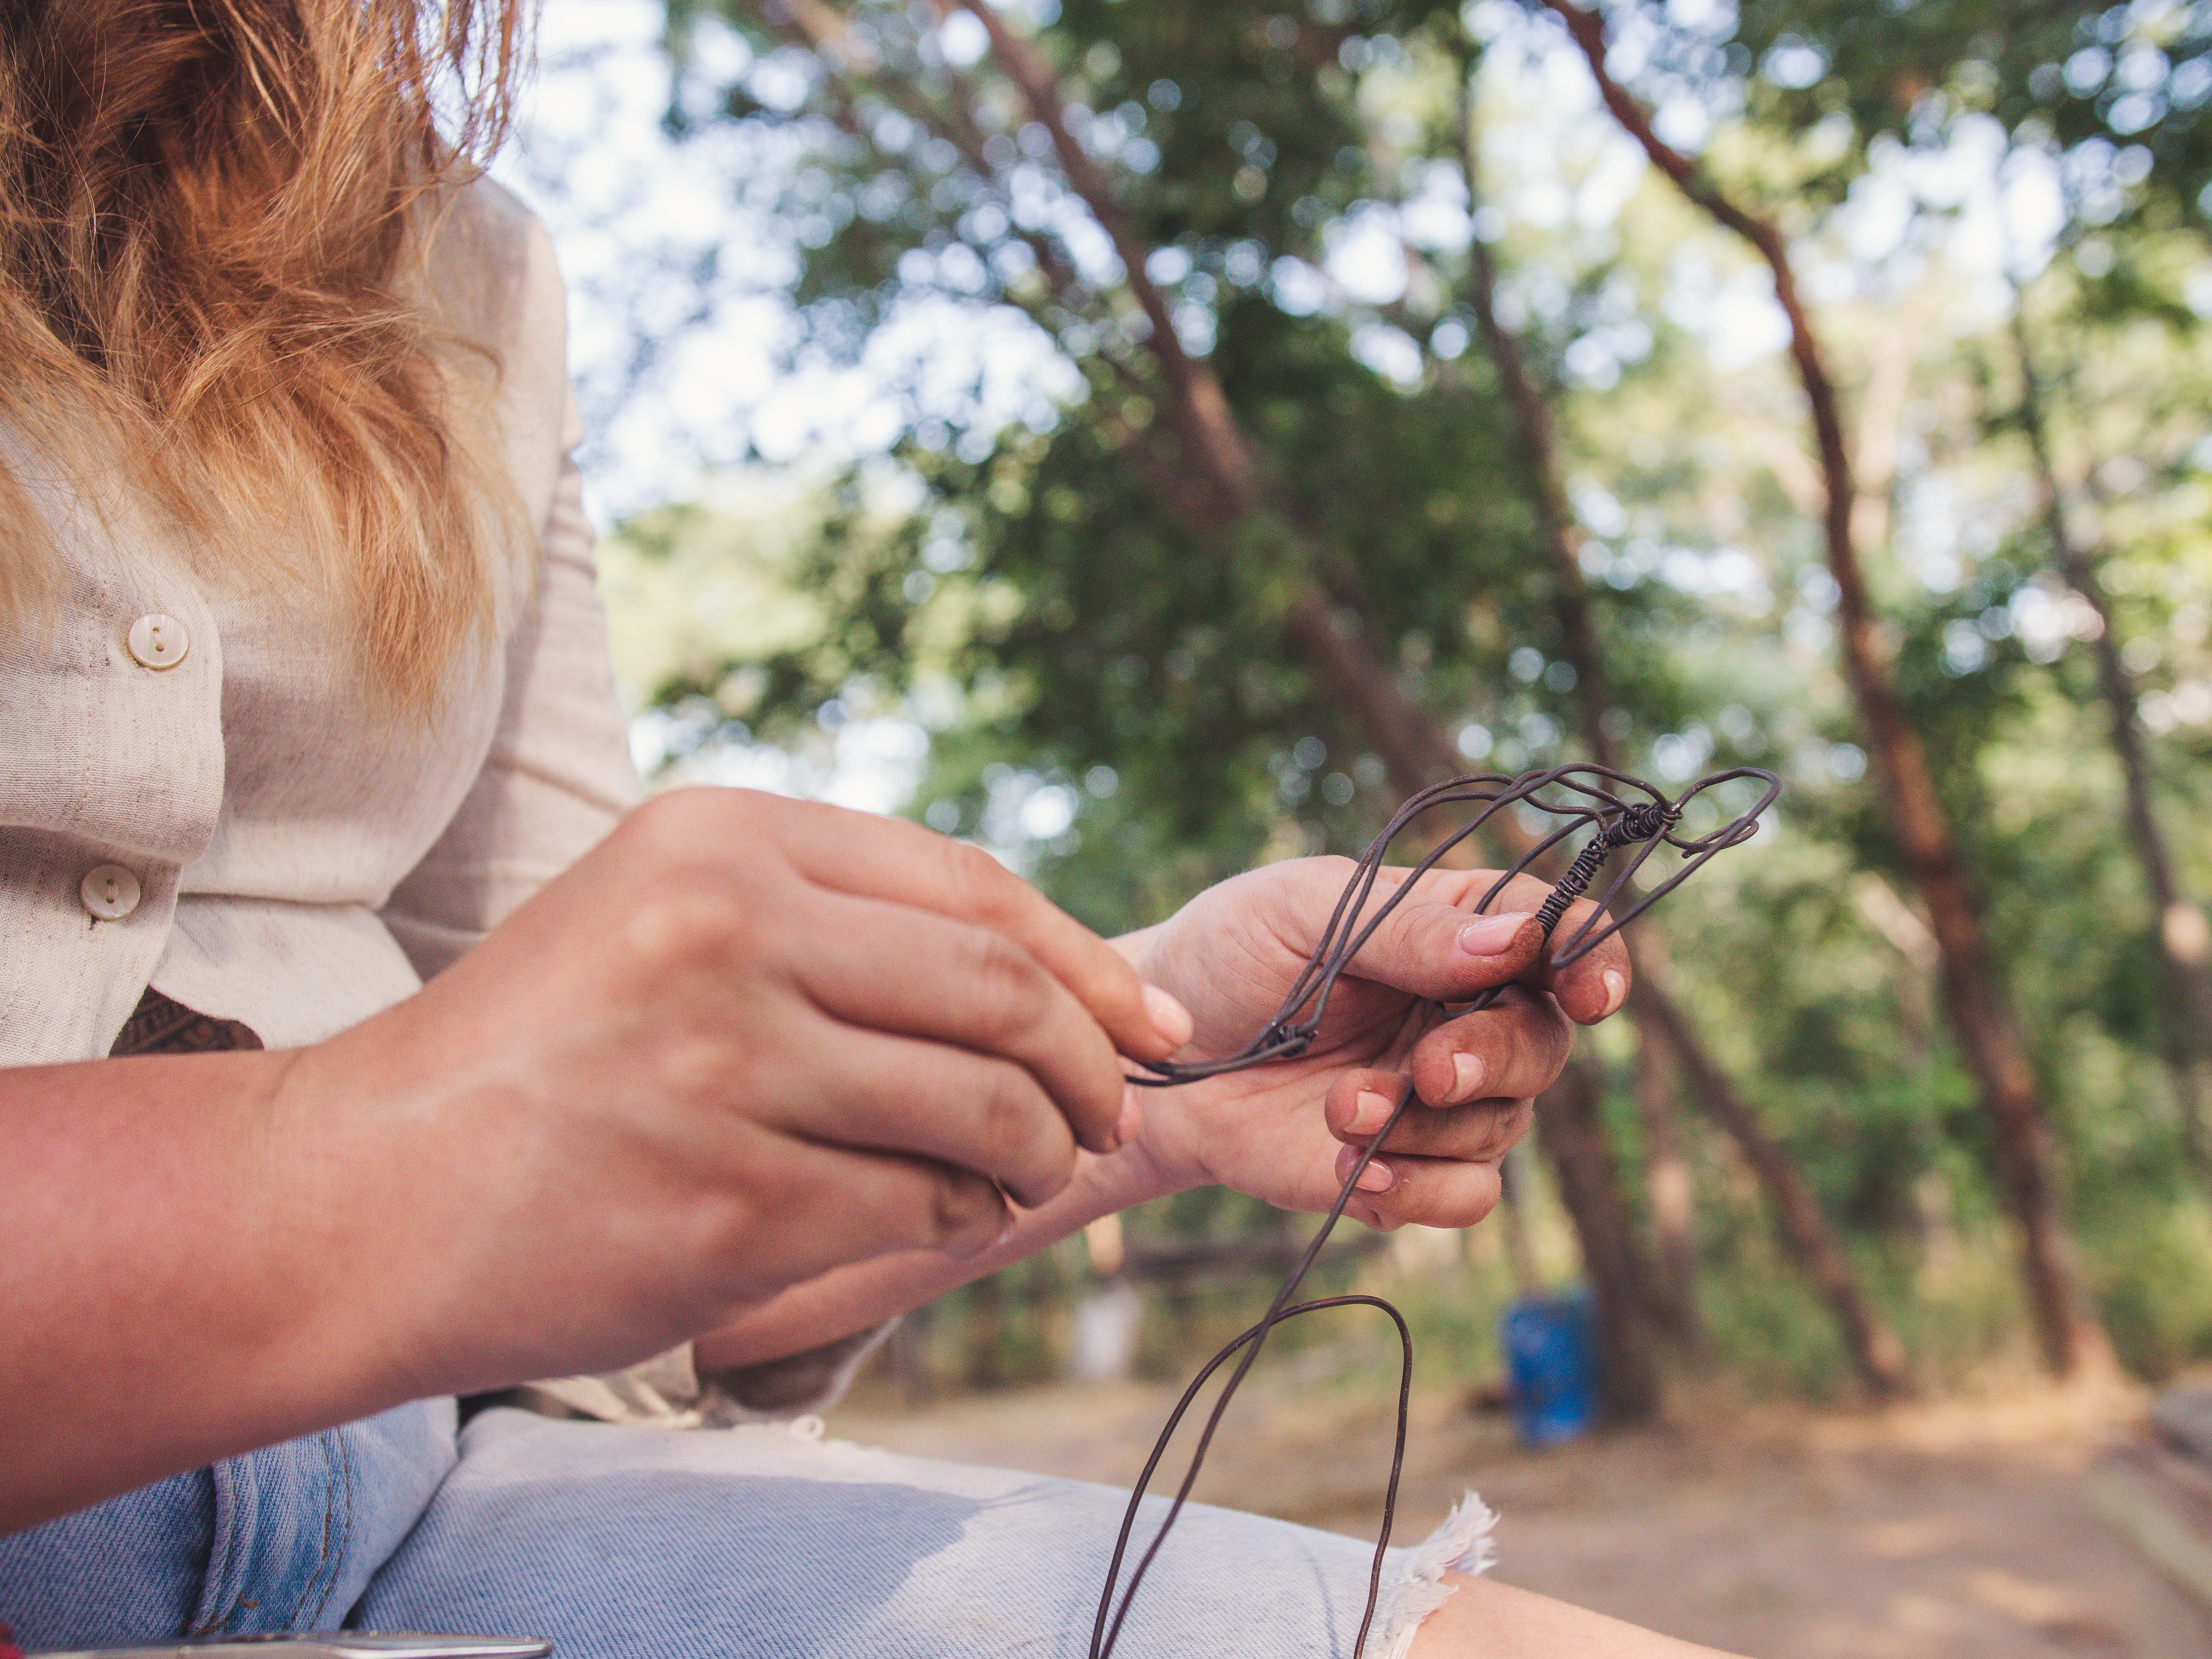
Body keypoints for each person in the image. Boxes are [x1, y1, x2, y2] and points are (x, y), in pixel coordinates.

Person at [0, 4, 1740, 1655]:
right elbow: (447, 1171)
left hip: (421, 1499)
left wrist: (1155, 1070)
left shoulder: (470, 271)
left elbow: (598, 1253)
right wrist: (370, 1157)